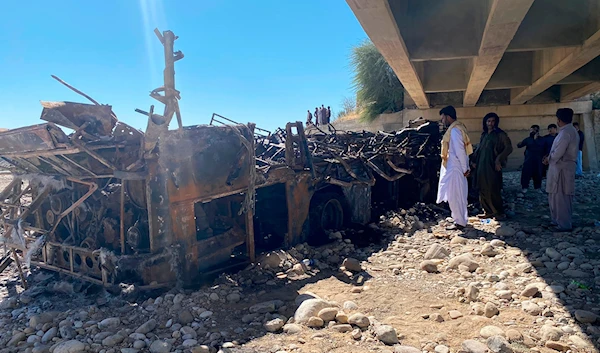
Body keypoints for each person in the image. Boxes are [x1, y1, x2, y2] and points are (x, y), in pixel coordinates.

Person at [436, 106, 473, 230]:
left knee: (455, 196)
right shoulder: (457, 128)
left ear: (448, 116)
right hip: (456, 167)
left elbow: (460, 152)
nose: (442, 120)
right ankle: (460, 219)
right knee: (457, 195)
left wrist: (464, 169)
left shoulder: (454, 131)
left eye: (443, 117)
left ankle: (459, 222)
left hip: (456, 168)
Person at [471, 113, 513, 220]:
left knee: (493, 188)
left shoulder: (500, 134)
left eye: (492, 121)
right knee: (482, 188)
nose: (490, 123)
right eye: (488, 121)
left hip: (492, 166)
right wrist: (473, 161)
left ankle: (498, 212)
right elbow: (479, 149)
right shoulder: (484, 135)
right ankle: (488, 212)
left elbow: (508, 148)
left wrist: (498, 160)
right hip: (481, 165)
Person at [543, 108, 579, 231]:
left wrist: (548, 158)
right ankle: (556, 221)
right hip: (561, 168)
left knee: (561, 197)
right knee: (555, 196)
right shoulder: (569, 131)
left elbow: (558, 152)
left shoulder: (565, 133)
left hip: (562, 168)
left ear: (559, 119)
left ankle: (563, 224)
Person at [517, 125, 544, 193]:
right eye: (531, 130)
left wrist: (536, 139)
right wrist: (519, 143)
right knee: (526, 173)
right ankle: (524, 187)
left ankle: (537, 187)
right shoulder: (528, 139)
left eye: (534, 130)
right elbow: (520, 145)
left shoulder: (541, 139)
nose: (532, 131)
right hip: (528, 160)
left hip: (538, 160)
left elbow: (542, 147)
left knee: (538, 173)